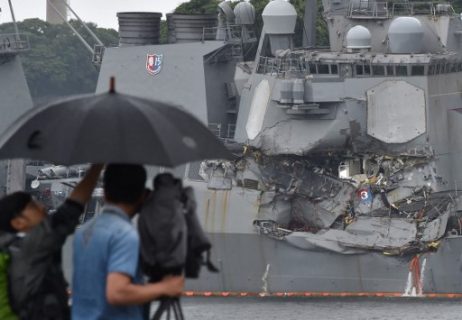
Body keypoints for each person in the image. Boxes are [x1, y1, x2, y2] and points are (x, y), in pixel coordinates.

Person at [72, 164, 184, 320]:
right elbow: (117, 293)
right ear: (142, 196)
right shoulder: (125, 234)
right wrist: (164, 287)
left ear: (104, 193)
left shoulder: (83, 231)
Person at [0, 163, 103, 320]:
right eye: (33, 206)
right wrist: (96, 168)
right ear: (18, 223)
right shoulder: (32, 245)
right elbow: (70, 210)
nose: (41, 207)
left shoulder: (11, 249)